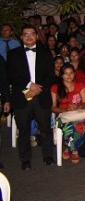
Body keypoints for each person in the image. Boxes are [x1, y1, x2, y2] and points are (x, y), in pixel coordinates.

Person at [5, 26, 56, 169]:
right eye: (25, 34)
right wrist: (28, 86)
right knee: (24, 130)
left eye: (32, 34)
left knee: (45, 129)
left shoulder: (46, 53)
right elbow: (11, 75)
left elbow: (50, 75)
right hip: (22, 97)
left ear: (37, 36)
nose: (29, 37)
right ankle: (25, 160)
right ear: (21, 37)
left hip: (41, 96)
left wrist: (37, 89)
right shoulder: (13, 54)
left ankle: (48, 156)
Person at [51, 64, 85, 164]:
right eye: (66, 73)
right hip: (63, 115)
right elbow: (53, 108)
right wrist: (65, 110)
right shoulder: (55, 88)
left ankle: (68, 149)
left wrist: (77, 107)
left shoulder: (80, 85)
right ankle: (74, 150)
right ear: (61, 75)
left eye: (71, 73)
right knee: (70, 127)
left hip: (78, 113)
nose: (69, 76)